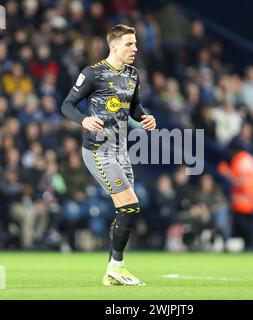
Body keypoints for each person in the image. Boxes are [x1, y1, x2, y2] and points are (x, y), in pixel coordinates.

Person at [61, 25, 156, 286]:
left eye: (135, 44)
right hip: (98, 150)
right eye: (129, 44)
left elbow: (134, 107)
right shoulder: (93, 73)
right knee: (130, 204)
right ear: (113, 46)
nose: (135, 48)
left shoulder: (133, 75)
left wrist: (145, 117)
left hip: (121, 151)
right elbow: (66, 104)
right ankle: (116, 267)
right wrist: (83, 120)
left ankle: (113, 271)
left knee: (126, 209)